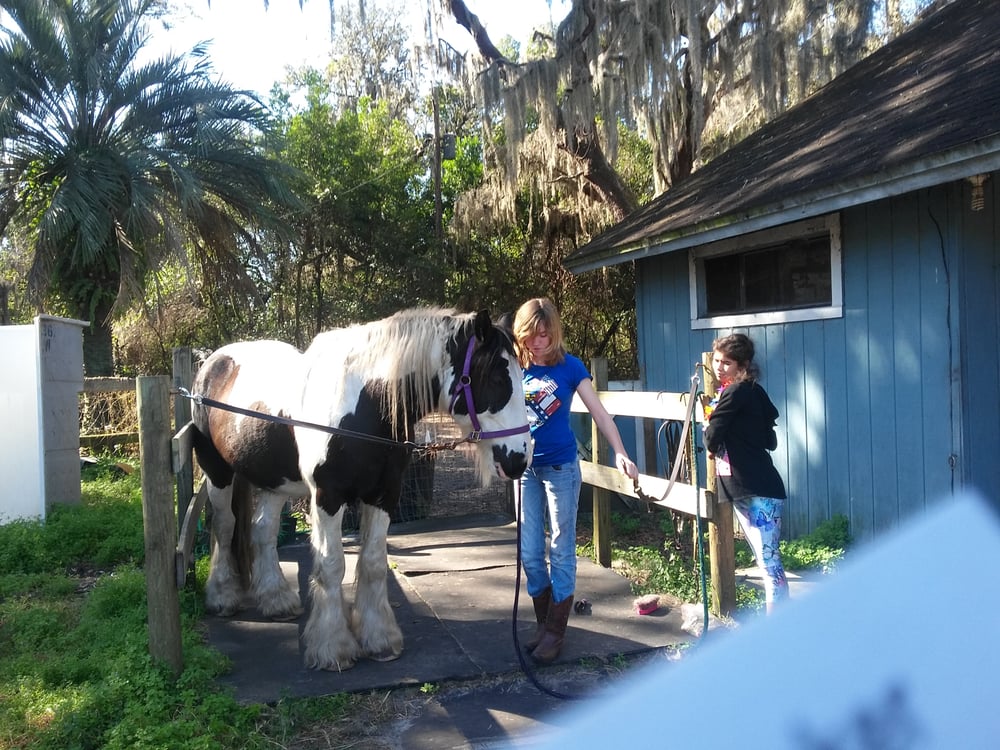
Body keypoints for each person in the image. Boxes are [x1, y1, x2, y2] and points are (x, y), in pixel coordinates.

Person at [511, 298, 639, 663]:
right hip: (526, 472)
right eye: (531, 335)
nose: (538, 342)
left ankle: (555, 632)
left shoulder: (570, 368)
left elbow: (600, 412)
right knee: (531, 553)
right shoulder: (515, 368)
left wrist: (620, 452)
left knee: (561, 549)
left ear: (554, 333)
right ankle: (542, 623)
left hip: (561, 470)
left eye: (544, 335)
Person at [703, 333, 789, 613]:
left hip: (755, 487)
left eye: (727, 363)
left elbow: (712, 433)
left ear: (743, 365)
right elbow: (769, 438)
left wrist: (711, 442)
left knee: (768, 561)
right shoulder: (754, 391)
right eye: (716, 361)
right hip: (755, 485)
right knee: (767, 560)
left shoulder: (735, 391)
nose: (719, 367)